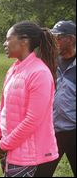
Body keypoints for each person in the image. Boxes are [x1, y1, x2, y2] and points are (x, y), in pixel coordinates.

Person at [0, 21, 59, 177]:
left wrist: (4, 144)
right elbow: (3, 106)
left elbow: (32, 120)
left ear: (24, 41)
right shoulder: (14, 69)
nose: (4, 43)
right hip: (9, 148)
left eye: (8, 39)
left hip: (27, 156)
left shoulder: (39, 73)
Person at [46, 21, 76, 176]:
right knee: (41, 173)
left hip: (74, 131)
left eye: (58, 37)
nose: (54, 41)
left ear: (70, 39)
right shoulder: (50, 62)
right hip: (52, 131)